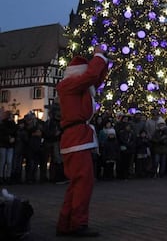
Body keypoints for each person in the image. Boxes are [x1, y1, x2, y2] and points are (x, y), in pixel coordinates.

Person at [56, 45, 108, 237]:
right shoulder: (70, 85)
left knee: (77, 183)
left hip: (77, 137)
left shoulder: (76, 87)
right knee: (83, 182)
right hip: (76, 138)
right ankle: (77, 223)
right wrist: (98, 55)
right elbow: (91, 77)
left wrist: (104, 62)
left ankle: (66, 223)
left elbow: (96, 79)